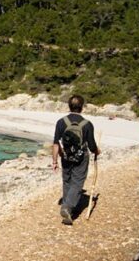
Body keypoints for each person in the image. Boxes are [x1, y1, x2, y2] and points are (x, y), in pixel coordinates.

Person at [52, 95, 100, 225]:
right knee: (77, 182)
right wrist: (97, 151)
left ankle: (68, 208)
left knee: (67, 180)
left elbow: (56, 144)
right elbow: (91, 146)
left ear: (69, 106)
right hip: (81, 157)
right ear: (82, 107)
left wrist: (55, 161)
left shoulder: (61, 122)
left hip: (66, 156)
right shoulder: (87, 124)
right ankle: (68, 207)